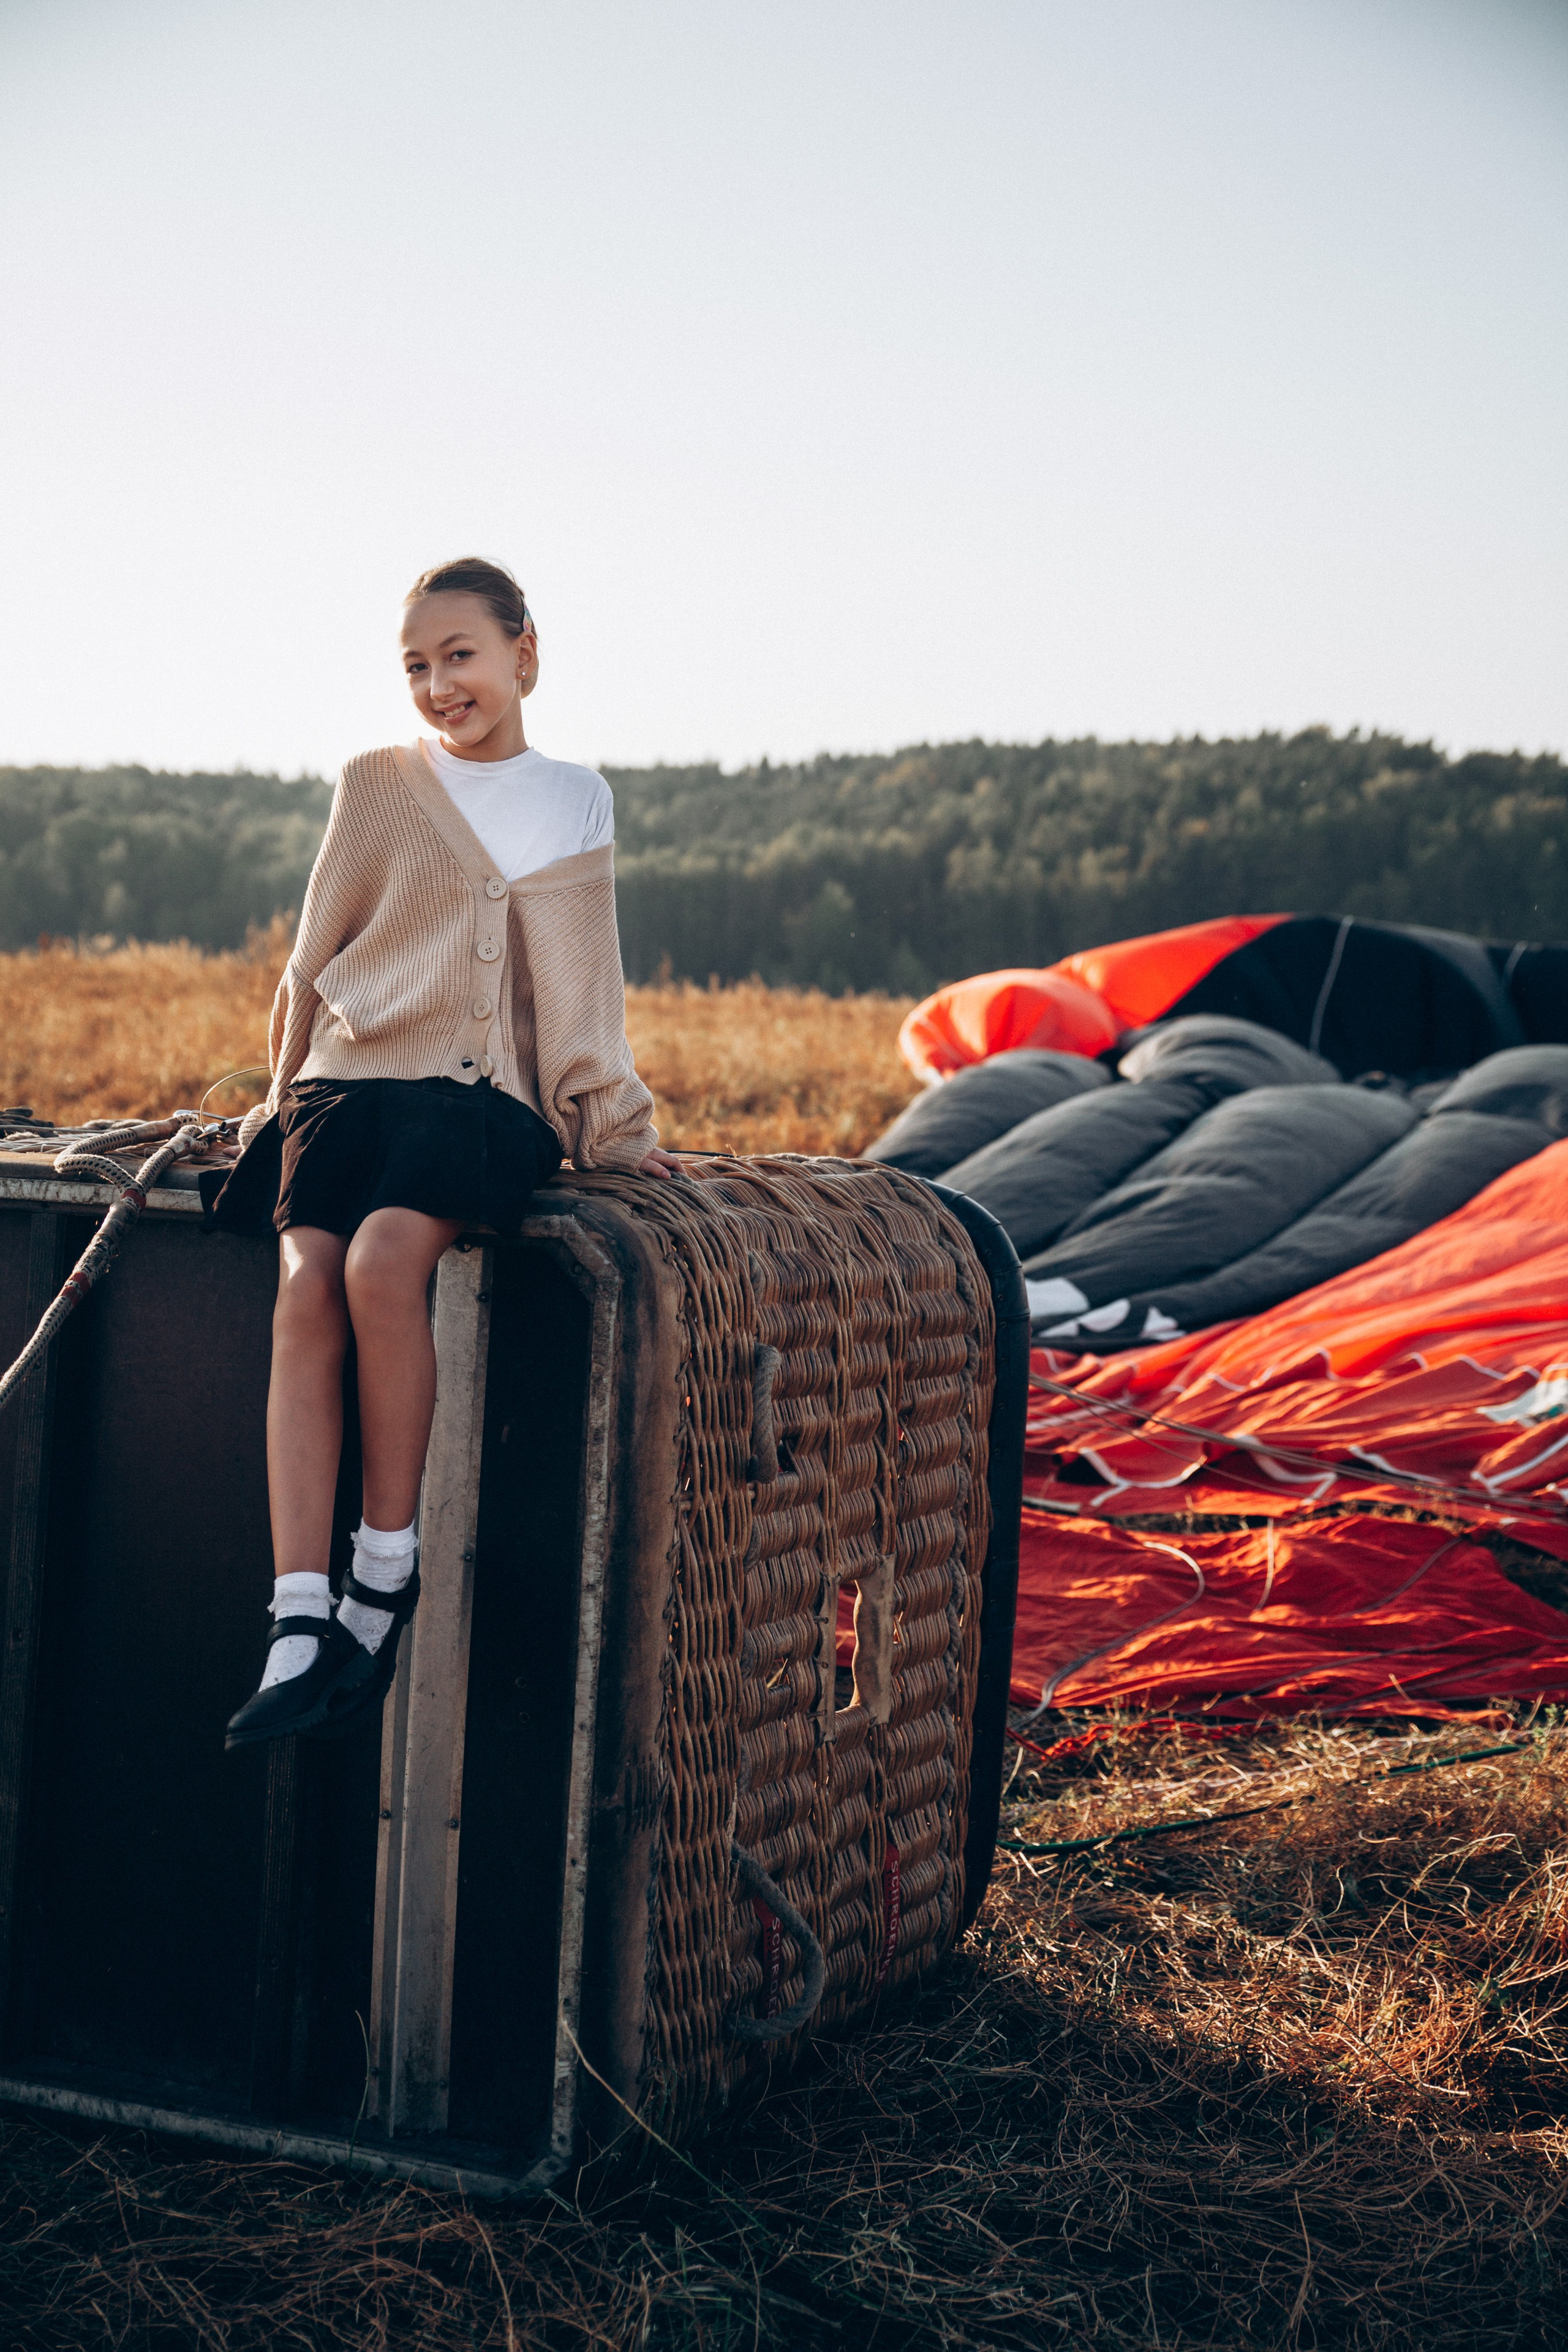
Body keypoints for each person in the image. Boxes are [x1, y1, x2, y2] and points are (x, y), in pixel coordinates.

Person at [211, 556, 680, 1750]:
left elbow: (579, 993)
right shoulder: (373, 784)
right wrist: (276, 1103)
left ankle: (383, 1566)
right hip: (345, 1081)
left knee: (380, 1264)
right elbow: (312, 960)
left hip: (480, 1099)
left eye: (459, 655)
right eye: (415, 666)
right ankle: (297, 1611)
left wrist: (615, 1130)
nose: (436, 684)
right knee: (305, 1284)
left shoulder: (575, 798)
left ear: (525, 652)